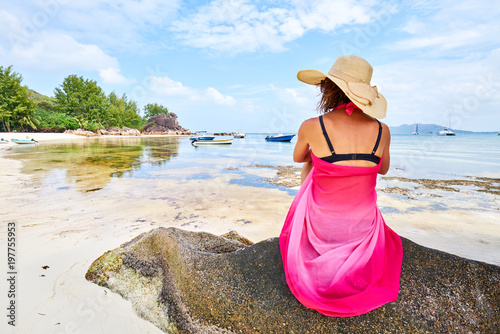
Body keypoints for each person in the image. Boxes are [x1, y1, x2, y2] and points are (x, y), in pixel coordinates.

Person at [279, 55, 403, 317]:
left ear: (331, 91)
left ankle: (309, 229)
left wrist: (327, 155)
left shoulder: (313, 126)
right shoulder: (383, 130)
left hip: (323, 226)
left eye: (324, 86)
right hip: (361, 226)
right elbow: (382, 169)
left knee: (310, 164)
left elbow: (299, 157)